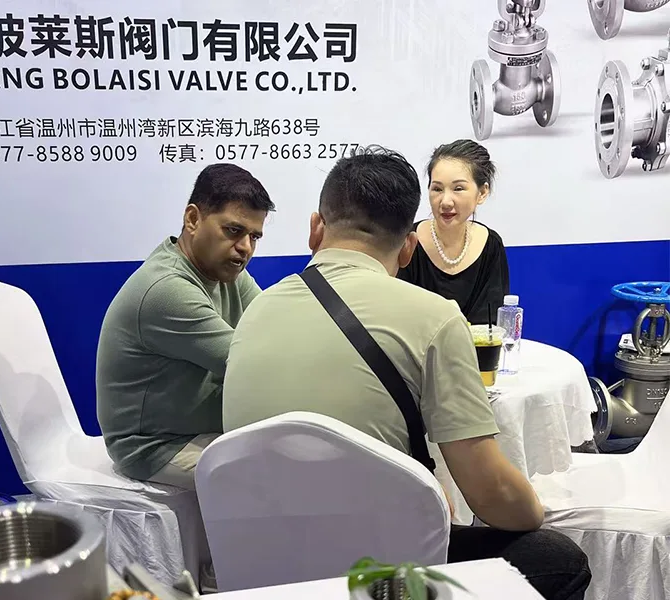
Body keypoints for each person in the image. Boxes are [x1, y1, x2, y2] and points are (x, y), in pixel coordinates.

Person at [222, 146, 591, 599]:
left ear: (315, 228)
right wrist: (534, 511)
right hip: (375, 573)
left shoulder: (256, 311)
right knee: (558, 559)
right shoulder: (435, 318)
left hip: (261, 567)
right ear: (408, 247)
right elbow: (492, 496)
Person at [96, 163, 274, 490]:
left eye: (254, 236)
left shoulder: (226, 272)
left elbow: (273, 326)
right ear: (193, 219)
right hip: (156, 447)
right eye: (233, 230)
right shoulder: (167, 289)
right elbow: (252, 366)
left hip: (202, 431)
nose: (246, 247)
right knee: (276, 479)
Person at [397, 139, 509, 324]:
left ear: (482, 193)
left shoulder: (491, 245)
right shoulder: (407, 240)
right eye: (437, 189)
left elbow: (490, 322)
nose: (446, 202)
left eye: (458, 188)